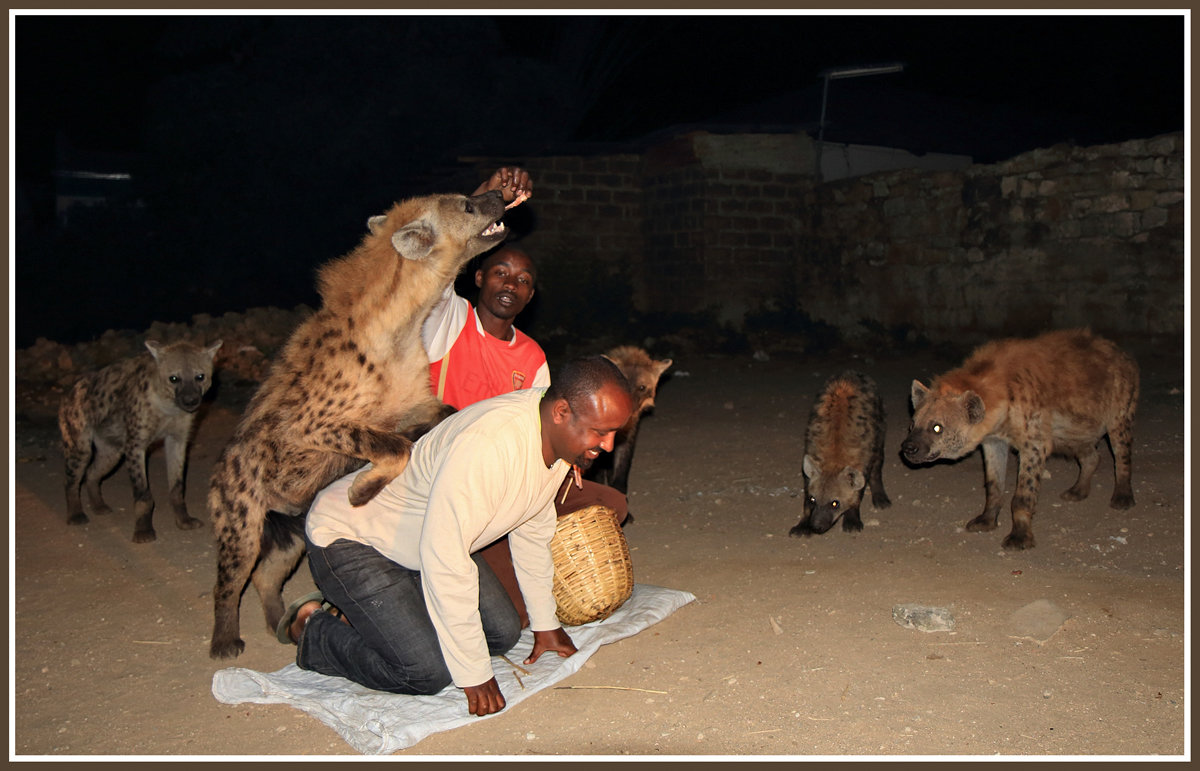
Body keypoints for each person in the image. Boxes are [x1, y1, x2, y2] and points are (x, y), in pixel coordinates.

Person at [283, 357, 635, 717]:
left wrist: (545, 623)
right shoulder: (488, 445)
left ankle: (376, 614)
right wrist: (474, 675)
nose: (607, 445)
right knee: (426, 672)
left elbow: (533, 530)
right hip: (355, 536)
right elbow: (446, 560)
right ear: (561, 411)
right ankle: (312, 629)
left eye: (614, 433)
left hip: (422, 542)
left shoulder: (559, 439)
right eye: (600, 431)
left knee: (503, 634)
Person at [421, 166, 628, 626]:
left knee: (610, 503)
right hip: (452, 481)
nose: (510, 284)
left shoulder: (532, 355)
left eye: (523, 280)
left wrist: (573, 459)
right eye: (501, 273)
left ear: (531, 294)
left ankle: (494, 561)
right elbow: (438, 255)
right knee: (512, 616)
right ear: (478, 277)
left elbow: (549, 431)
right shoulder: (449, 323)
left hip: (508, 485)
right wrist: (487, 196)